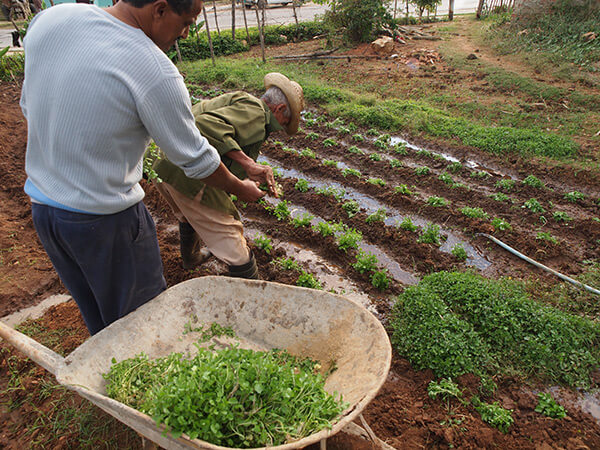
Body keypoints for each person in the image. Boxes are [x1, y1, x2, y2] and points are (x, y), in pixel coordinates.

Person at [20, 0, 266, 335]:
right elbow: (195, 159)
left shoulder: (51, 19)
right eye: (187, 21)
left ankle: (108, 379)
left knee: (102, 323)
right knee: (146, 329)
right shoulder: (153, 68)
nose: (185, 33)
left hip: (47, 213)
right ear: (160, 9)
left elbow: (30, 103)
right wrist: (241, 188)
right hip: (105, 222)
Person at [151, 73, 304, 279]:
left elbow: (216, 144)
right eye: (287, 120)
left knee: (189, 213)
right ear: (280, 109)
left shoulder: (240, 101)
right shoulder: (257, 112)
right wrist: (247, 164)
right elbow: (205, 126)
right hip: (186, 171)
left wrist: (244, 176)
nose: (284, 126)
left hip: (161, 162)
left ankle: (191, 257)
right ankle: (253, 300)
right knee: (233, 241)